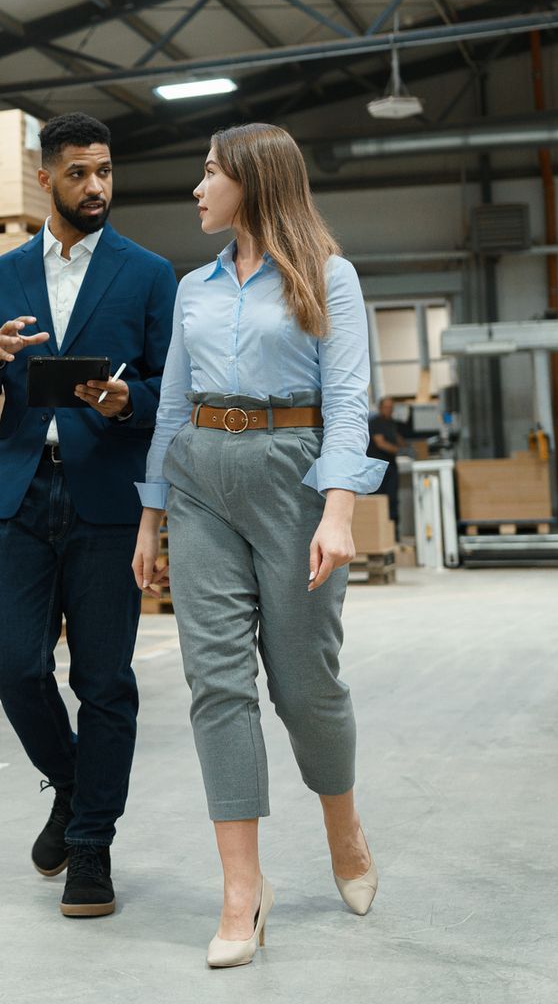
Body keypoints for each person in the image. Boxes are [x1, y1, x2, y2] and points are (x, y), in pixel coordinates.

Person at [131, 122, 384, 968]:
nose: (197, 189)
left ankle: (343, 828)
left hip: (294, 477)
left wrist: (338, 510)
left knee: (305, 683)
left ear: (254, 180)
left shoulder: (328, 277)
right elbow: (171, 405)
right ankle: (243, 890)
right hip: (202, 475)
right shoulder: (190, 288)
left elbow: (348, 401)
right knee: (216, 680)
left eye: (209, 172)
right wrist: (151, 515)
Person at [0, 111, 177, 920]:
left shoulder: (149, 274)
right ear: (44, 177)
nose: (96, 187)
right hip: (23, 494)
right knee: (11, 664)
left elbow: (167, 393)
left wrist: (124, 399)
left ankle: (91, 846)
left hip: (107, 500)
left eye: (106, 171)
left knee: (104, 680)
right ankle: (78, 783)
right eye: (80, 172)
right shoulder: (1, 275)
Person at [368, 397, 408, 532]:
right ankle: (377, 532)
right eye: (387, 407)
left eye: (391, 407)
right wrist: (399, 450)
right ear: (380, 408)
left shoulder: (391, 423)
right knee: (378, 499)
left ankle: (393, 532)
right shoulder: (375, 423)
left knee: (392, 500)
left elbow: (397, 437)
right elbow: (380, 443)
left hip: (391, 467)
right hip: (377, 467)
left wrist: (406, 446)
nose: (389, 410)